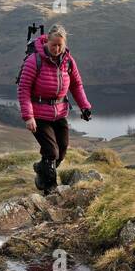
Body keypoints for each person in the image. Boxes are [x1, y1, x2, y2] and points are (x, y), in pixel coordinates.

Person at [17, 23, 92, 191]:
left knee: (62, 150)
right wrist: (28, 116)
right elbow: (24, 89)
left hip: (59, 113)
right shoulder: (34, 61)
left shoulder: (68, 61)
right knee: (51, 152)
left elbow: (76, 85)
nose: (57, 48)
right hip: (39, 115)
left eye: (60, 45)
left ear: (64, 44)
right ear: (47, 42)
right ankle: (50, 188)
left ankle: (41, 169)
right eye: (53, 45)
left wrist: (85, 107)